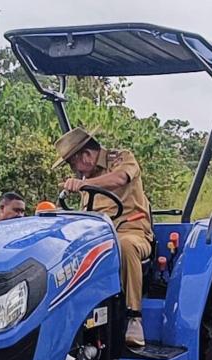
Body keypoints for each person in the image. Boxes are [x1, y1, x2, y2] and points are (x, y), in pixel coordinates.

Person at [52, 127, 152, 347]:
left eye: (72, 163)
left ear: (86, 155)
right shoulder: (87, 177)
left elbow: (119, 178)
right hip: (98, 237)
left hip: (131, 231)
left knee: (124, 246)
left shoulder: (122, 158)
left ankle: (134, 318)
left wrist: (84, 184)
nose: (74, 170)